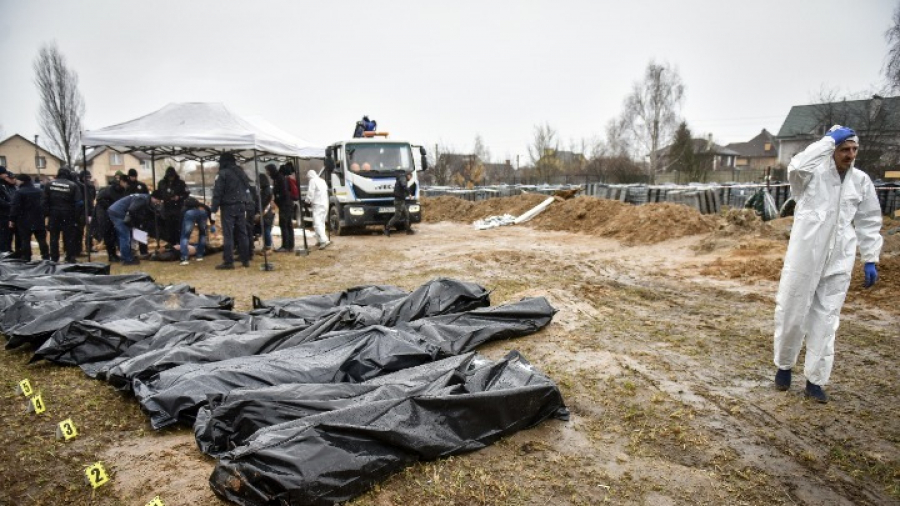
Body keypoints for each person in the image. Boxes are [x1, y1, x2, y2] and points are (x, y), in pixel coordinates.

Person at [773, 125, 883, 403]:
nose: (850, 154)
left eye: (854, 149)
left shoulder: (860, 181)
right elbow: (796, 167)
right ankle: (784, 366)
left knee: (827, 319)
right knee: (792, 311)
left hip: (839, 259)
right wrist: (827, 141)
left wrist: (870, 257)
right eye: (844, 149)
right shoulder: (811, 176)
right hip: (805, 256)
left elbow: (869, 220)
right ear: (832, 149)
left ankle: (815, 380)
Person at [210, 153, 252, 269]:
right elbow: (247, 189)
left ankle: (228, 261)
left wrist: (213, 210)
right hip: (241, 205)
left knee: (228, 234)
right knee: (242, 233)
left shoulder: (223, 173)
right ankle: (245, 259)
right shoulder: (240, 172)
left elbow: (217, 192)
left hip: (228, 206)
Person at [107, 190, 162, 265]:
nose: (158, 203)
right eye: (158, 201)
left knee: (126, 236)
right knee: (125, 236)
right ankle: (127, 259)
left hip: (117, 210)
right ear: (153, 197)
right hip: (118, 213)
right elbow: (132, 210)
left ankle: (128, 255)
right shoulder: (142, 199)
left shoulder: (144, 198)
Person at [42, 166, 81, 263]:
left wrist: (47, 214)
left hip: (54, 214)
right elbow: (79, 203)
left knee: (54, 236)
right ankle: (70, 256)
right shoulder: (73, 185)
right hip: (68, 213)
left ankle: (54, 257)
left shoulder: (49, 184)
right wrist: (76, 216)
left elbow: (44, 201)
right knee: (69, 236)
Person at [8, 174, 49, 262]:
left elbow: (15, 207)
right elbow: (45, 205)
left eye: (17, 180)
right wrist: (44, 215)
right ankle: (46, 257)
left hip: (24, 220)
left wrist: (12, 219)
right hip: (39, 219)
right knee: (41, 240)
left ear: (22, 181)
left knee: (25, 240)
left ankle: (26, 257)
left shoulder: (19, 192)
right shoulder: (39, 191)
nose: (16, 181)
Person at [94, 175, 129, 262]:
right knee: (109, 235)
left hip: (113, 214)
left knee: (113, 235)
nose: (127, 185)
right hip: (105, 215)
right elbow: (99, 199)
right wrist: (111, 207)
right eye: (126, 183)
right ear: (122, 182)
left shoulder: (122, 190)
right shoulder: (110, 189)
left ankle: (114, 254)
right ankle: (111, 255)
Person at [157, 166, 189, 249]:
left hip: (178, 207)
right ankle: (171, 243)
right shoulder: (162, 183)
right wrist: (162, 199)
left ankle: (179, 242)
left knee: (178, 226)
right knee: (168, 226)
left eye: (172, 176)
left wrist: (179, 197)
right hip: (167, 208)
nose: (171, 178)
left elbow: (186, 193)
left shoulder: (181, 183)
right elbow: (158, 193)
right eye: (169, 176)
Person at [179, 195, 214, 265]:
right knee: (203, 234)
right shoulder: (201, 205)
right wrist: (212, 222)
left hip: (189, 214)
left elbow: (181, 218)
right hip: (202, 213)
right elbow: (209, 210)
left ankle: (185, 258)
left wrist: (180, 228)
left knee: (185, 236)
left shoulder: (185, 208)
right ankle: (200, 255)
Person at [126, 168, 151, 258]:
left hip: (141, 213)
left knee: (141, 231)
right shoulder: (127, 186)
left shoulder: (141, 185)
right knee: (130, 232)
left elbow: (147, 197)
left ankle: (144, 251)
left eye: (135, 176)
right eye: (132, 176)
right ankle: (132, 251)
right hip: (130, 212)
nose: (133, 178)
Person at [270, 164, 294, 252]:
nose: (268, 173)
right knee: (288, 225)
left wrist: (277, 197)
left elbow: (283, 192)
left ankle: (285, 246)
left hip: (285, 205)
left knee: (284, 225)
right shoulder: (283, 178)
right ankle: (290, 245)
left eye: (268, 171)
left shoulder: (279, 178)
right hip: (288, 204)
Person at [384, 172, 417, 237]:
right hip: (399, 201)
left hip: (401, 201)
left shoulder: (402, 178)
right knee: (397, 216)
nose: (410, 179)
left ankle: (408, 230)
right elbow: (404, 186)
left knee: (406, 215)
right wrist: (409, 193)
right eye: (410, 177)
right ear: (409, 175)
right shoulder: (403, 178)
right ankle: (387, 229)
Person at [305, 169, 330, 249]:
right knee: (321, 222)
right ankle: (319, 240)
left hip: (317, 204)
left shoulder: (312, 181)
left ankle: (324, 240)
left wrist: (307, 201)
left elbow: (310, 193)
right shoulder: (322, 181)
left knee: (317, 223)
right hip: (325, 204)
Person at [74, 170, 96, 256]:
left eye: (89, 177)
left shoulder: (91, 186)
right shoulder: (79, 186)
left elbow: (93, 198)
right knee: (80, 231)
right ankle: (80, 249)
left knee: (90, 229)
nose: (88, 179)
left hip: (89, 210)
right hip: (81, 211)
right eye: (86, 177)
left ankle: (88, 246)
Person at [0, 166, 18, 254]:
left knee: (9, 234)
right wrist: (10, 204)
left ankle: (8, 249)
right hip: (3, 213)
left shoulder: (7, 185)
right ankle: (3, 251)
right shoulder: (2, 186)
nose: (6, 175)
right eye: (4, 174)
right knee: (3, 234)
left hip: (9, 213)